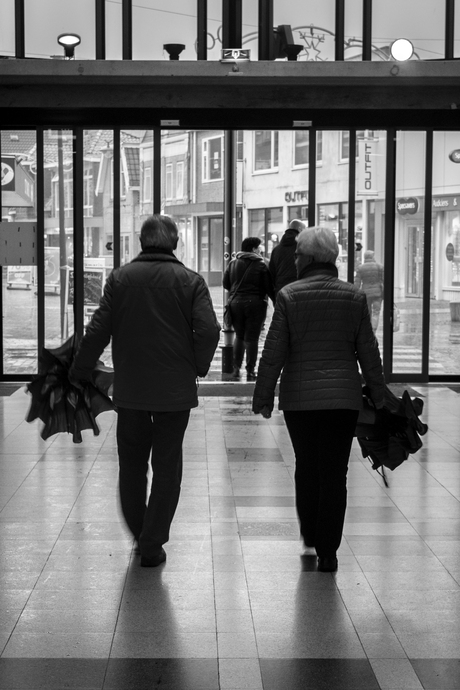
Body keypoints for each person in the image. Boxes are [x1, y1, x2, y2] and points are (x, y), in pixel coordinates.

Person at [69, 215, 220, 567]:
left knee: (132, 465)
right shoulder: (191, 281)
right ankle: (153, 542)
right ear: (176, 243)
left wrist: (79, 371)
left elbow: (97, 331)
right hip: (174, 392)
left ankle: (141, 535)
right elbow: (210, 331)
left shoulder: (120, 279)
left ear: (141, 242)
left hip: (132, 389)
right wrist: (196, 366)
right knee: (168, 466)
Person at [252, 226, 384, 573]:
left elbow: (274, 351)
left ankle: (310, 532)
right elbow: (368, 351)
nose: (293, 259)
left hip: (300, 401)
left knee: (307, 466)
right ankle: (328, 551)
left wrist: (264, 394)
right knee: (335, 472)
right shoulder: (354, 297)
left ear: (309, 257)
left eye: (297, 254)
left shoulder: (289, 296)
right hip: (343, 400)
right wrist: (380, 393)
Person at [223, 236, 275, 380]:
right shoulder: (261, 265)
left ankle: (236, 368)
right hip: (255, 305)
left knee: (239, 336)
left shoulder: (233, 264)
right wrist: (277, 302)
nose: (260, 250)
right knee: (252, 338)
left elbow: (226, 284)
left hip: (236, 304)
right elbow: (268, 287)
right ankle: (250, 370)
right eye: (259, 247)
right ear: (253, 249)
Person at [268, 219, 305, 298]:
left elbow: (271, 275)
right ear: (300, 229)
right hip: (299, 291)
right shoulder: (303, 247)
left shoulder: (276, 249)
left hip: (281, 292)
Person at [354, 250, 384, 331]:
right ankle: (374, 330)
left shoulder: (360, 268)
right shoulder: (379, 266)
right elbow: (383, 281)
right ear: (372, 257)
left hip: (366, 293)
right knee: (376, 312)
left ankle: (369, 330)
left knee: (368, 312)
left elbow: (357, 282)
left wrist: (355, 294)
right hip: (378, 293)